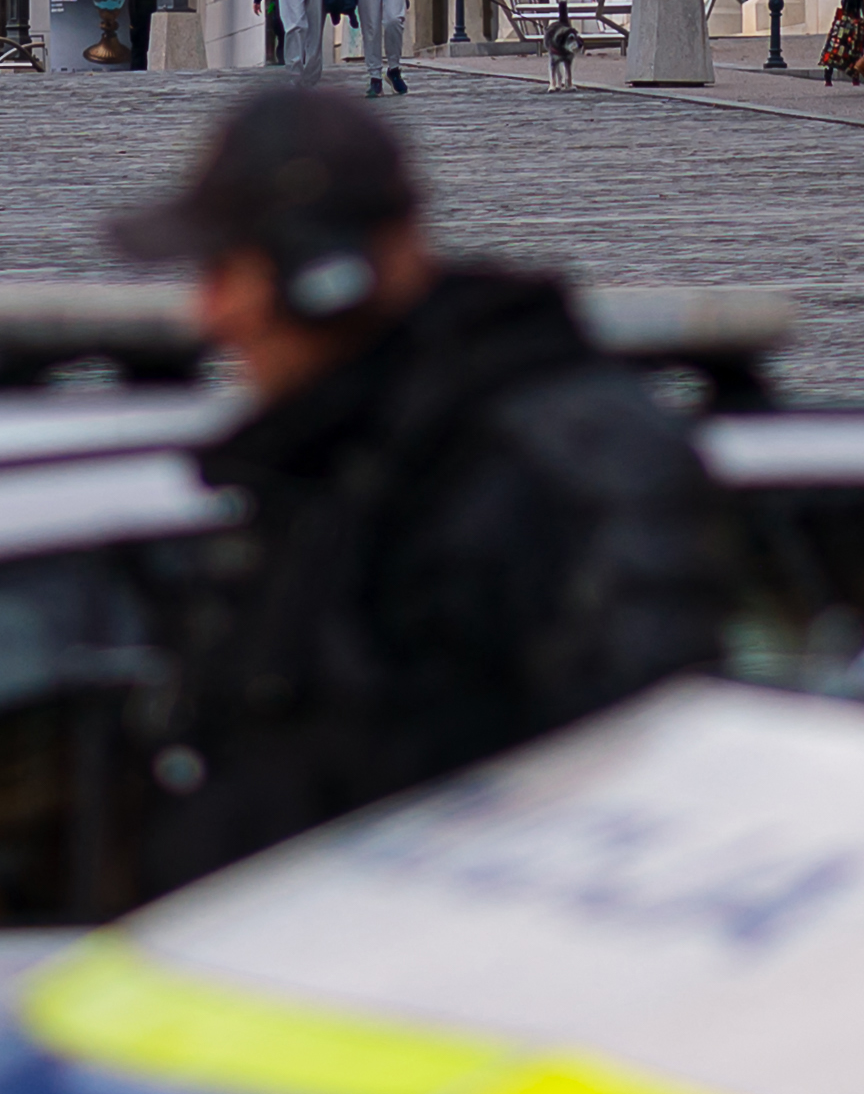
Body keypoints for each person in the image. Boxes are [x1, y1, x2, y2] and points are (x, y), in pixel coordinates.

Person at [112, 91, 730, 881]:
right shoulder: (338, 461)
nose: (210, 314)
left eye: (226, 269)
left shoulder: (554, 473)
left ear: (324, 276)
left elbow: (630, 806)